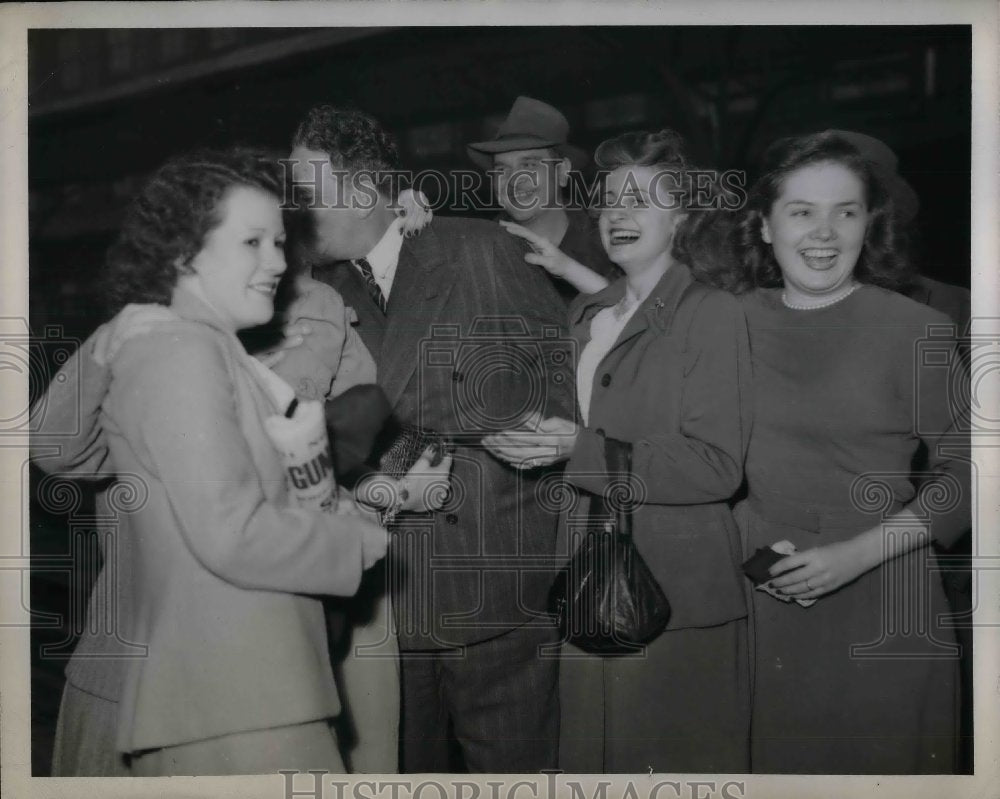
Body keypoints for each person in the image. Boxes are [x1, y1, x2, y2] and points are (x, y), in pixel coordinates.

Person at [31, 148, 450, 776]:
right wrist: (359, 533)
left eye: (279, 241)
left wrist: (368, 504)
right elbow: (59, 449)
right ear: (182, 249)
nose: (277, 262)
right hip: (196, 673)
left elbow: (303, 478)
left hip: (238, 667)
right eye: (253, 241)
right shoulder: (166, 344)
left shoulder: (287, 325)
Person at [290, 104, 574, 773]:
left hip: (497, 588)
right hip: (379, 597)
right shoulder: (305, 292)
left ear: (363, 191)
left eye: (307, 194)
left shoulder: (486, 251)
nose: (295, 212)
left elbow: (561, 400)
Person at [484, 129, 753, 773]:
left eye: (640, 199)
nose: (617, 215)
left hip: (673, 593)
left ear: (681, 216)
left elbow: (717, 465)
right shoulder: (589, 312)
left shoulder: (712, 313)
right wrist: (533, 441)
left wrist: (576, 448)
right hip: (584, 579)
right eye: (607, 202)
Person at [730, 131, 970, 773]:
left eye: (847, 211)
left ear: (871, 224)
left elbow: (970, 474)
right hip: (757, 593)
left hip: (882, 594)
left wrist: (856, 555)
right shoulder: (727, 321)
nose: (824, 233)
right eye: (801, 211)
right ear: (763, 224)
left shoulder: (914, 328)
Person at [467, 95, 620, 300]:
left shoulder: (611, 246)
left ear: (562, 172)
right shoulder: (476, 255)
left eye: (529, 165)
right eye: (502, 169)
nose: (514, 180)